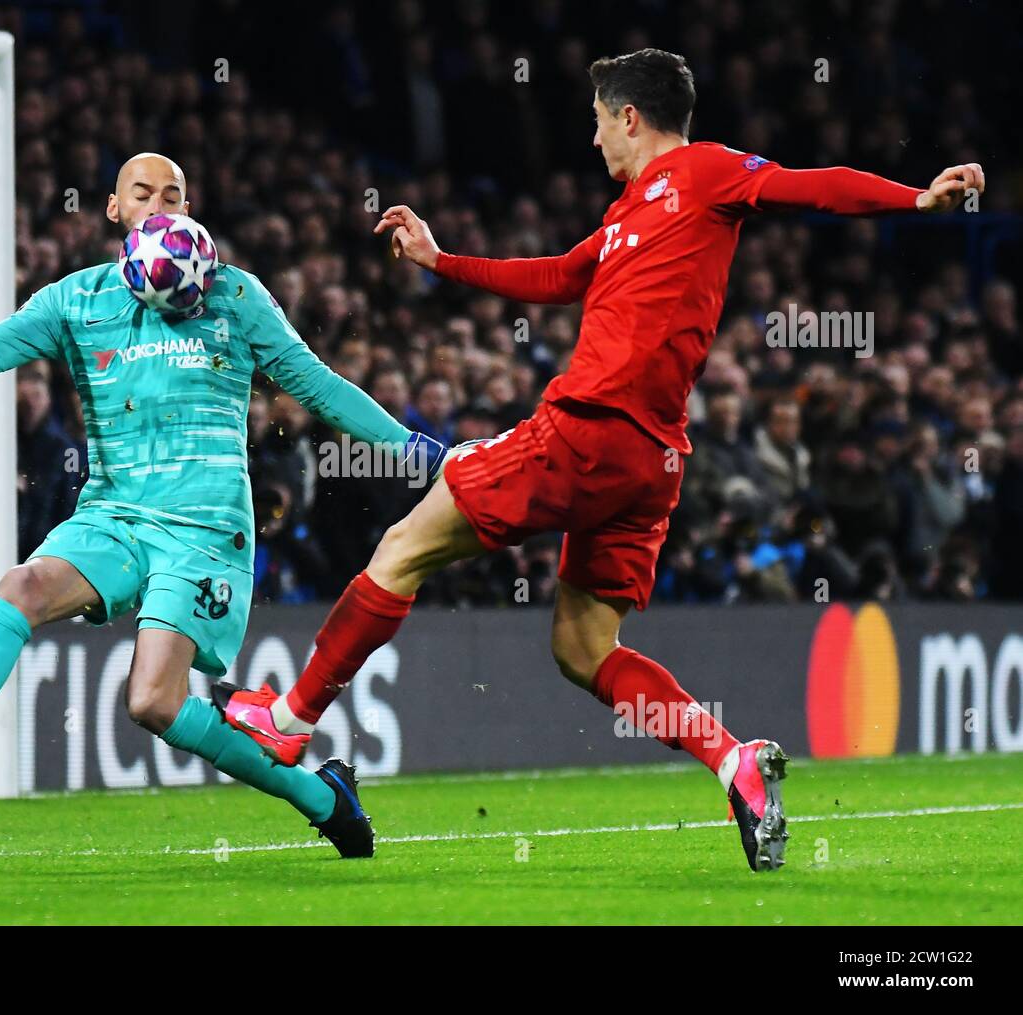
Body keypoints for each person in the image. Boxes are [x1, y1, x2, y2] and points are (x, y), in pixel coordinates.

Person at [215, 48, 985, 871]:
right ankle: (733, 761)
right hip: (648, 461)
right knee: (583, 647)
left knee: (404, 544)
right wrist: (443, 261)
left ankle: (290, 722)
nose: (591, 141)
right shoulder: (626, 218)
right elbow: (555, 276)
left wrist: (916, 197)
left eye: (595, 121)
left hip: (588, 426)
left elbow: (810, 182)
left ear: (628, 117)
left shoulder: (705, 172)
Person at [0, 152, 446, 859]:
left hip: (204, 531)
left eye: (174, 194)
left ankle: (323, 797)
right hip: (113, 516)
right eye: (143, 193)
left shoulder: (235, 298)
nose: (160, 204)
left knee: (152, 701)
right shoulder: (76, 302)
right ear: (116, 211)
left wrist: (422, 452)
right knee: (21, 585)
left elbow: (322, 389)